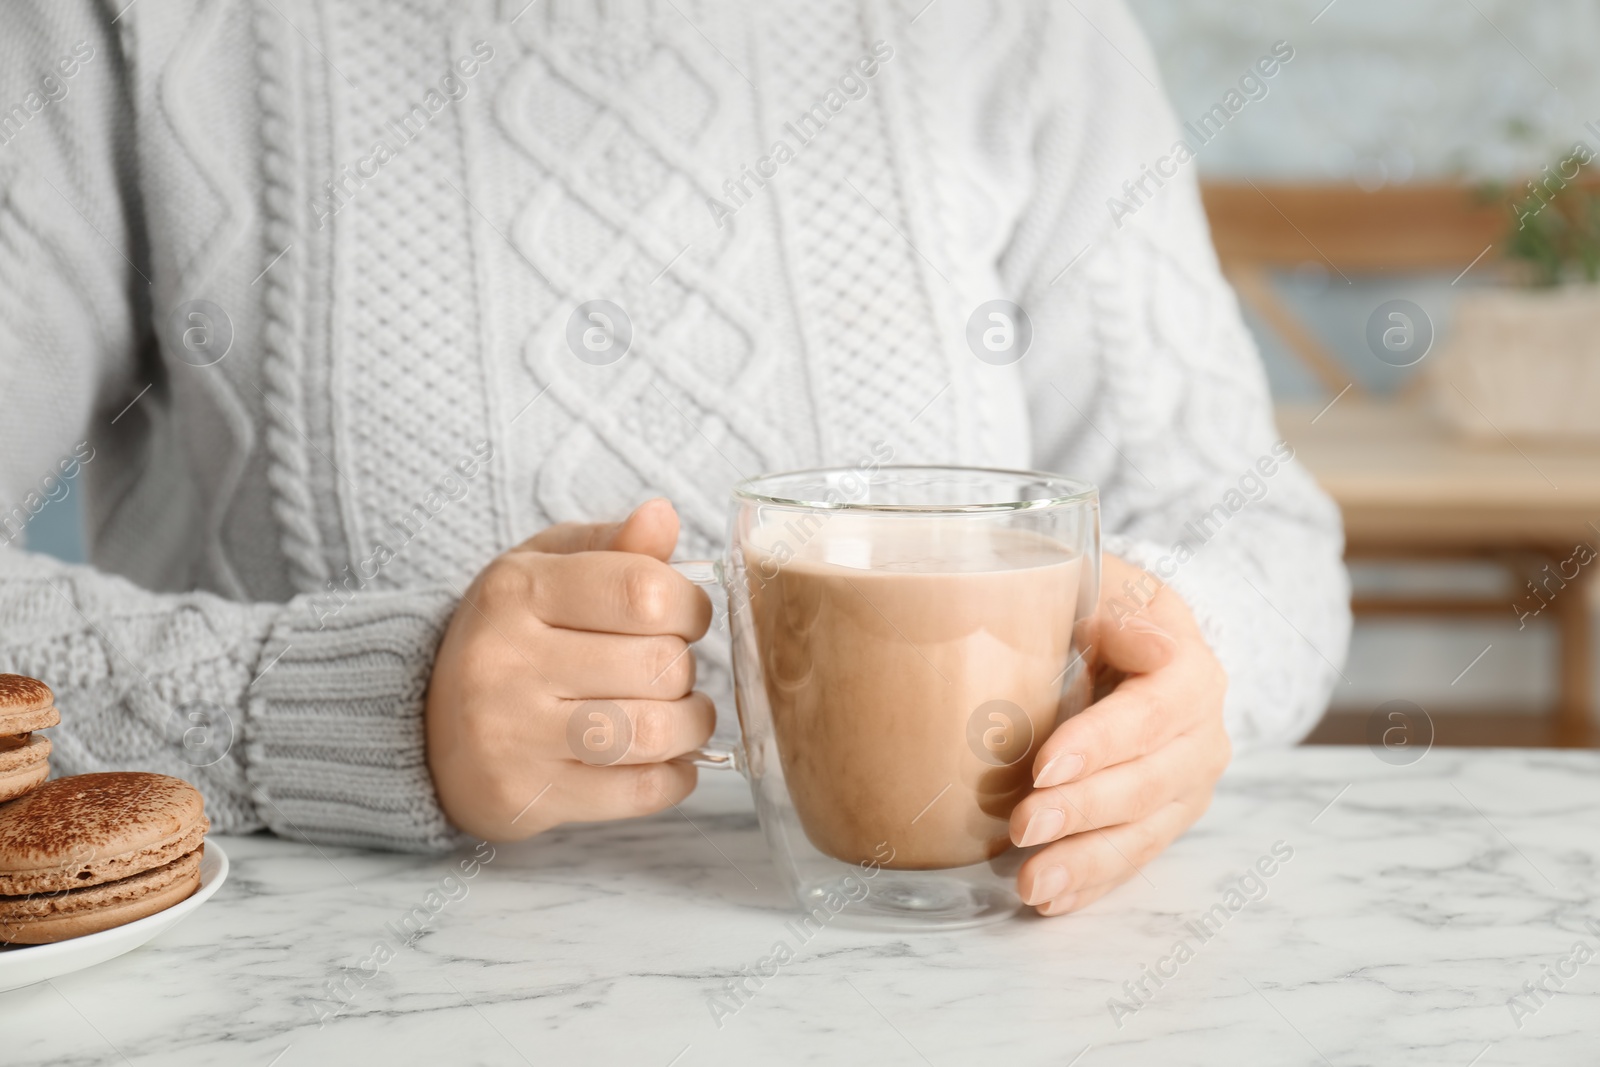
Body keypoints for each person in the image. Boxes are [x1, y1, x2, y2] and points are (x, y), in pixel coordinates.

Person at [0, 0, 1349, 915]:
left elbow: (1258, 541)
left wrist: (1184, 672)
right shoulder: (125, 34)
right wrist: (361, 711)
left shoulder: (1015, 27)